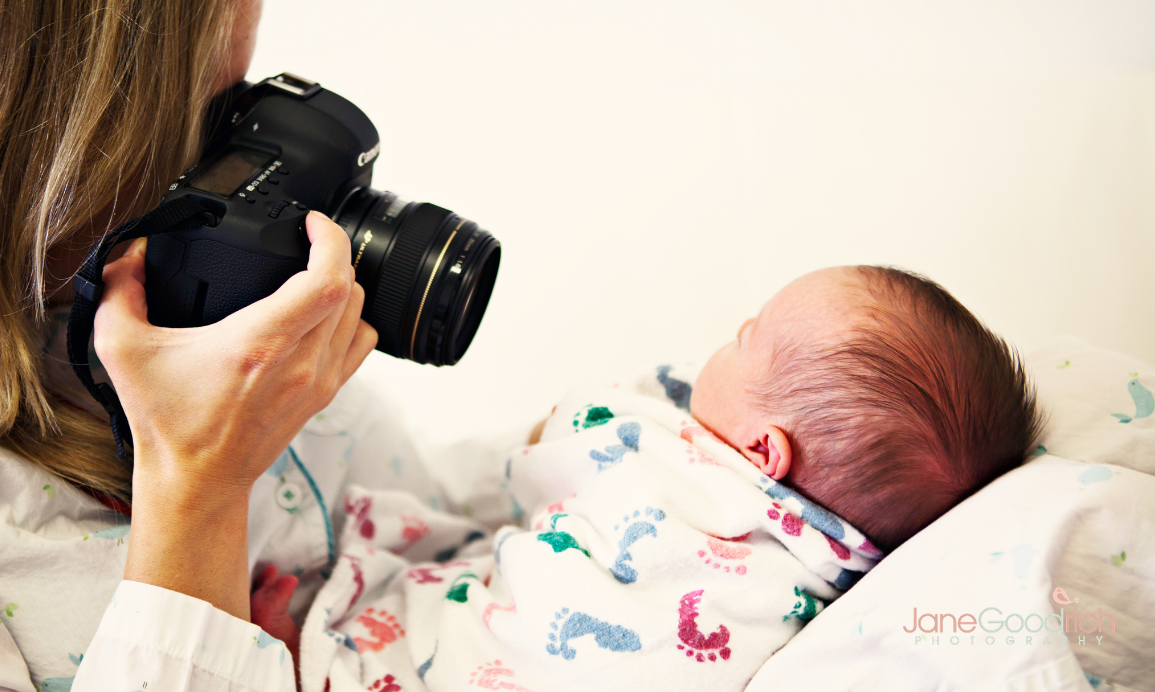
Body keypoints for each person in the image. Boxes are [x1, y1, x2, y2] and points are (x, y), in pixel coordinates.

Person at [0, 0, 434, 689]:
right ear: (51, 131)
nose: (231, 175)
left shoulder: (198, 325)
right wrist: (197, 486)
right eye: (209, 130)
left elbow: (441, 523)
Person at [244, 265, 1042, 692]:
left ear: (765, 454)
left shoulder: (692, 483)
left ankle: (306, 662)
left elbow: (568, 445)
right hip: (543, 612)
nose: (723, 341)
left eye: (748, 337)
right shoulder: (836, 558)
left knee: (421, 647)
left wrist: (570, 428)